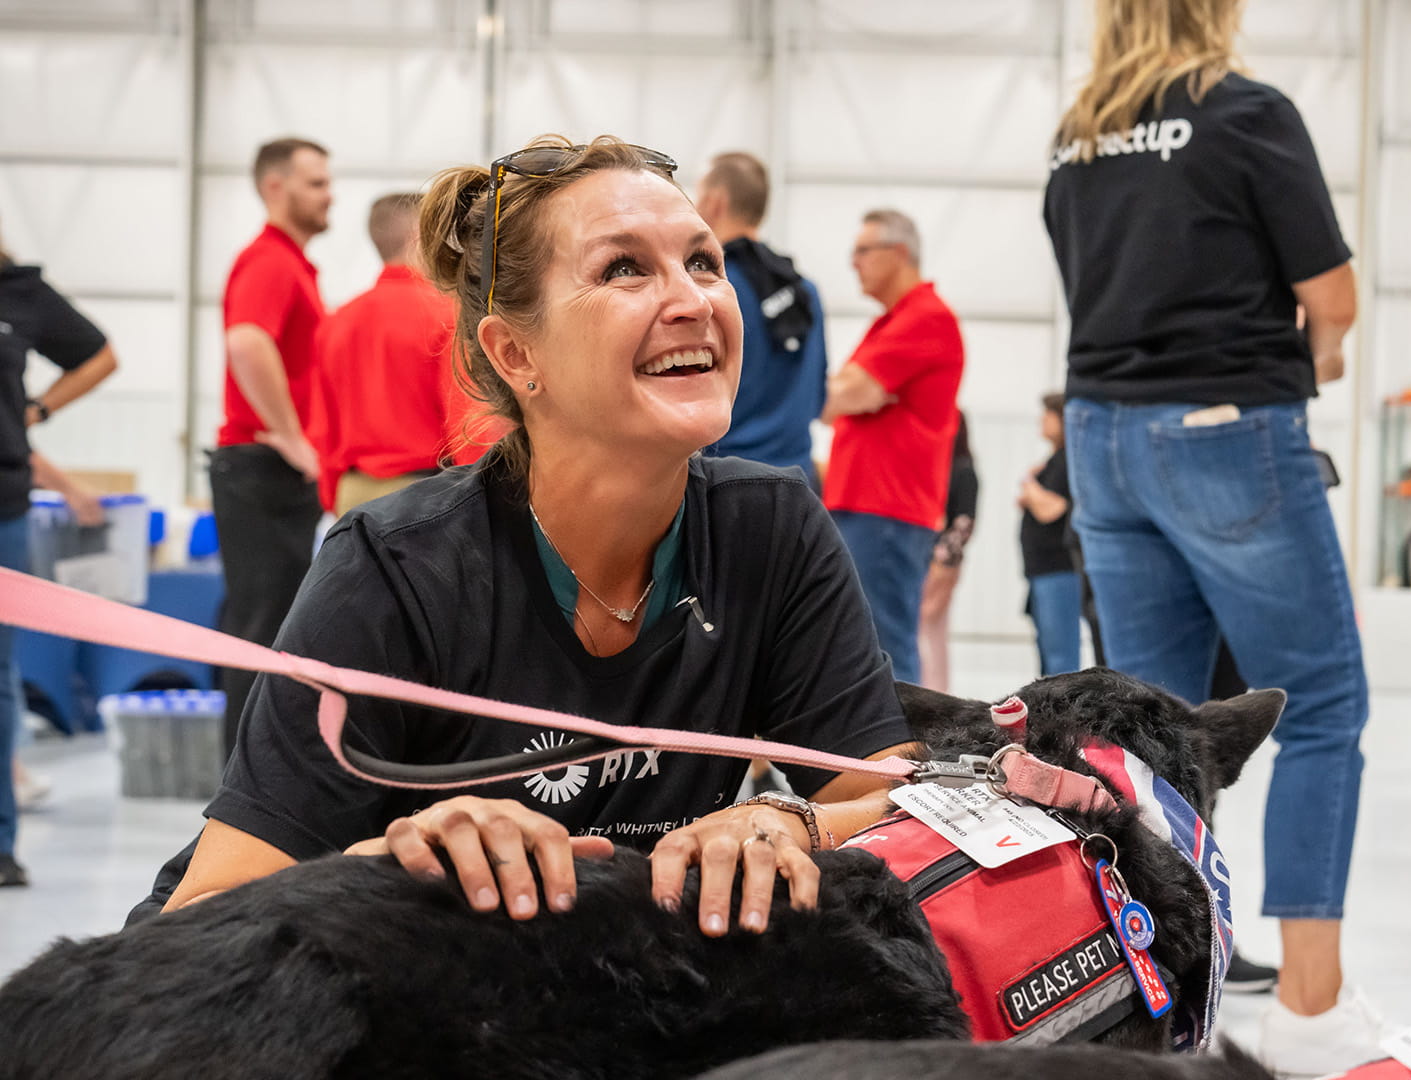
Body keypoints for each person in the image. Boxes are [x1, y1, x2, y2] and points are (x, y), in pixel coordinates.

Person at [129, 137, 918, 937]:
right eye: (624, 269)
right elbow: (192, 924)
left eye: (703, 262)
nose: (693, 300)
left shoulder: (770, 528)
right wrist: (388, 867)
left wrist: (791, 819)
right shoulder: (393, 570)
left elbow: (904, 803)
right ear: (514, 353)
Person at [1042, 0, 1372, 1070]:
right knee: (1319, 704)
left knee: (1155, 731)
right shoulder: (1246, 113)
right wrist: (1320, 355)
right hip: (1223, 427)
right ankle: (1311, 1012)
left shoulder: (1078, 140)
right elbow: (1333, 296)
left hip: (1101, 437)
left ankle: (1155, 993)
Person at [0, 230, 118, 887]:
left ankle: (0, 844)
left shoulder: (19, 293)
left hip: (4, 510)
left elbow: (98, 355)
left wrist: (37, 409)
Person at [213, 137, 333, 758]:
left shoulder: (291, 264)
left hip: (267, 471)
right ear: (275, 187)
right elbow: (246, 341)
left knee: (267, 625)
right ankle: (244, 780)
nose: (329, 195)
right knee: (260, 630)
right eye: (316, 183)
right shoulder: (270, 261)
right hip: (262, 466)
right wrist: (290, 434)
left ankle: (257, 771)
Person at [820, 209, 964, 687]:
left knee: (884, 647)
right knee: (867, 643)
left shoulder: (925, 317)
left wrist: (847, 391)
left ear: (899, 253)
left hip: (886, 508)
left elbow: (840, 395)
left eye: (863, 251)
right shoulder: (891, 322)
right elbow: (836, 401)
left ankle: (901, 736)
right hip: (869, 506)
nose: (854, 262)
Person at [308, 192, 475, 516]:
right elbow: (466, 423)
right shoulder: (448, 314)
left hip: (353, 496)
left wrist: (332, 497)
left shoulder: (337, 322)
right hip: (427, 497)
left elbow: (322, 427)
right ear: (420, 237)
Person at [694, 153, 829, 487]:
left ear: (715, 202)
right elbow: (818, 398)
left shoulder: (709, 291)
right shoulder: (805, 290)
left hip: (727, 483)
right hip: (799, 484)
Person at [1019, 394, 1080, 677]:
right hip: (1044, 568)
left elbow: (1050, 509)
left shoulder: (1068, 460)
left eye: (1049, 414)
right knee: (1048, 651)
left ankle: (1063, 705)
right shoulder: (1055, 461)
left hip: (1059, 567)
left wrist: (1030, 486)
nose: (1042, 419)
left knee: (1060, 655)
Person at [917, 414, 976, 693]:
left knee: (929, 628)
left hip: (943, 561)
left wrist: (942, 560)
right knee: (930, 629)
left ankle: (932, 688)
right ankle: (931, 688)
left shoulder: (963, 470)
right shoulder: (941, 466)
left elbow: (963, 524)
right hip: (930, 557)